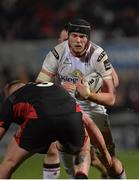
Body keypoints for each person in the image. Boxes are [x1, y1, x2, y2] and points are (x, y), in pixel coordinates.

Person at [36, 18, 126, 179]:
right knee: (66, 152)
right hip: (66, 108)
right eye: (73, 36)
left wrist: (88, 94)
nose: (77, 40)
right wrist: (59, 89)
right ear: (66, 38)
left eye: (82, 37)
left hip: (94, 108)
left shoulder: (98, 56)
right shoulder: (57, 53)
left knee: (109, 161)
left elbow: (112, 95)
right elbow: (39, 85)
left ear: (88, 39)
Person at [0, 80, 115, 179]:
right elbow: (89, 123)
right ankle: (82, 176)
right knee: (84, 150)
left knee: (9, 162)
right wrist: (105, 152)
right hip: (70, 119)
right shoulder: (55, 89)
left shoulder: (12, 99)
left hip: (39, 120)